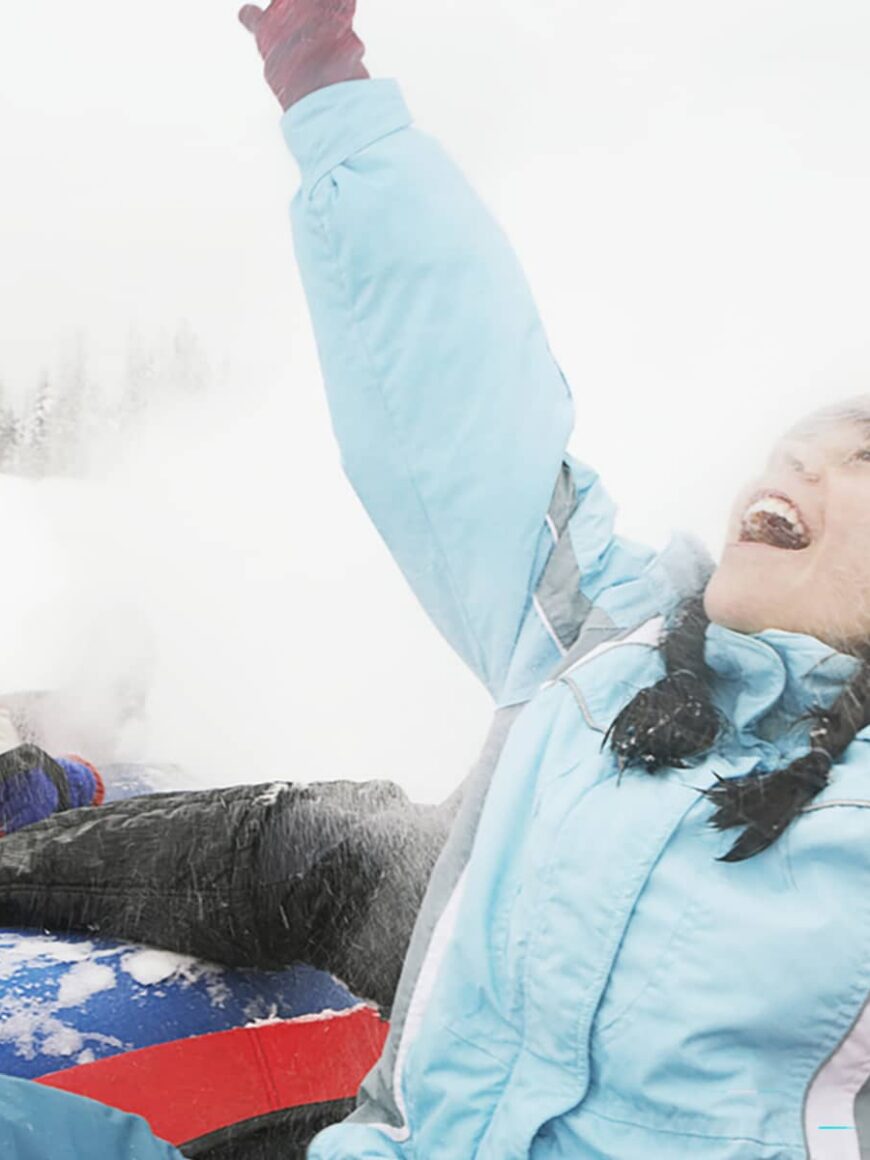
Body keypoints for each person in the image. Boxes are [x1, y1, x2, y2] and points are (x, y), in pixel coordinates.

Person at [3, 3, 870, 1158]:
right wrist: (328, 87)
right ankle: (44, 806)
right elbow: (465, 408)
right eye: (797, 438)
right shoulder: (613, 641)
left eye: (863, 457)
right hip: (454, 1030)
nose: (797, 455)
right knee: (328, 844)